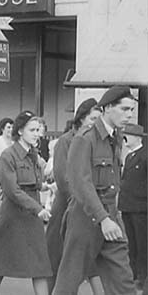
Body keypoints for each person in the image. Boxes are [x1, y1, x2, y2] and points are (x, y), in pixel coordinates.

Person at [53, 86, 137, 295]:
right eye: (124, 109)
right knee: (69, 282)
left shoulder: (115, 137)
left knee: (123, 281)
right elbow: (81, 183)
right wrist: (103, 218)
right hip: (85, 217)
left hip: (109, 215)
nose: (129, 115)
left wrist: (111, 216)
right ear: (108, 108)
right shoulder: (85, 139)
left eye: (131, 110)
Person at [0, 111, 52, 295]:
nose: (37, 133)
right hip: (12, 216)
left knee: (40, 265)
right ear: (20, 131)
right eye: (32, 129)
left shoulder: (34, 155)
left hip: (31, 217)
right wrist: (38, 209)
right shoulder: (8, 156)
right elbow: (12, 190)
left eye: (38, 130)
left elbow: (36, 184)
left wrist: (47, 187)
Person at [45, 98, 102, 294]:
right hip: (67, 205)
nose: (96, 122)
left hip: (89, 206)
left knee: (90, 259)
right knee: (59, 258)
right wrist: (81, 199)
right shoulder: (65, 141)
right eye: (93, 118)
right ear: (81, 118)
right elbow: (63, 179)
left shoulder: (97, 141)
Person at [118, 123, 147, 290]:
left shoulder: (144, 156)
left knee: (142, 243)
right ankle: (134, 274)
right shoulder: (129, 156)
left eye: (127, 135)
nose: (124, 138)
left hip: (141, 208)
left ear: (136, 137)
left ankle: (142, 276)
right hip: (128, 207)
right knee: (132, 243)